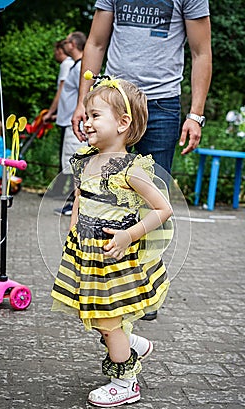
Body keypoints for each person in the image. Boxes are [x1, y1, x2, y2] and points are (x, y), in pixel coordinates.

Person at [71, 0, 212, 319]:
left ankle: (144, 286)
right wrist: (84, 101)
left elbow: (201, 52)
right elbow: (95, 42)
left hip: (161, 106)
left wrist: (196, 114)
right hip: (113, 101)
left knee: (152, 201)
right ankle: (107, 278)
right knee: (104, 191)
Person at [51, 75, 173, 407]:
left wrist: (128, 235)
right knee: (92, 313)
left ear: (122, 123)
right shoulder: (84, 161)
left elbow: (163, 208)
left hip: (114, 257)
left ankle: (126, 381)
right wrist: (72, 234)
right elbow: (79, 199)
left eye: (95, 116)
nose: (87, 122)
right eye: (87, 115)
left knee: (107, 322)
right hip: (88, 255)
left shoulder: (130, 169)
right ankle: (131, 340)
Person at [53, 31, 87, 216]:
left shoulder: (83, 67)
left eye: (66, 41)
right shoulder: (76, 66)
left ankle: (75, 205)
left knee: (76, 165)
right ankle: (73, 203)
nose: (64, 45)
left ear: (73, 44)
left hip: (75, 123)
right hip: (68, 120)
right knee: (71, 164)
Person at [41, 40, 73, 198]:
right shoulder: (72, 64)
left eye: (56, 50)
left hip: (67, 118)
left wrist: (50, 112)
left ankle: (61, 190)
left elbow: (62, 91)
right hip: (65, 116)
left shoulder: (66, 65)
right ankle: (60, 189)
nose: (55, 54)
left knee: (66, 153)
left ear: (61, 50)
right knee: (65, 153)